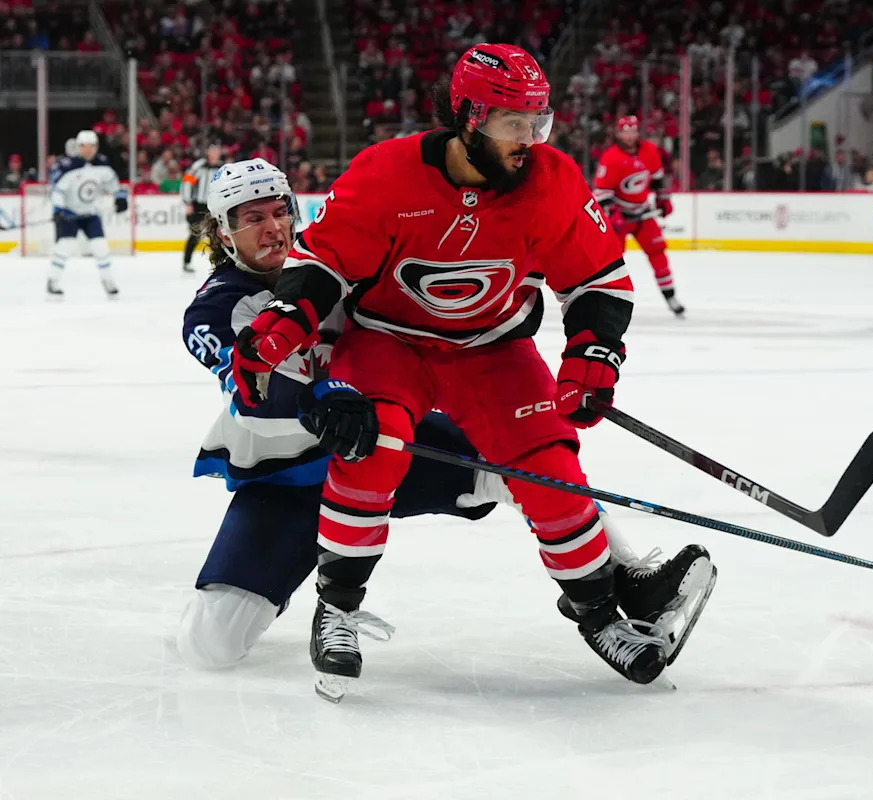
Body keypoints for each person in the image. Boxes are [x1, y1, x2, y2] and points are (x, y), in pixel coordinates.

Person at [231, 45, 716, 701]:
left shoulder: (554, 181)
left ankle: (598, 614)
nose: (530, 140)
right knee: (371, 448)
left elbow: (600, 277)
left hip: (492, 350)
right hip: (389, 343)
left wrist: (592, 355)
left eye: (537, 122)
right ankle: (338, 606)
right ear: (468, 116)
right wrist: (284, 327)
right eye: (514, 123)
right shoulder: (386, 174)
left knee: (550, 472)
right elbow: (324, 266)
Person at [593, 116, 684, 317]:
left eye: (632, 130)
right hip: (619, 219)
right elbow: (602, 192)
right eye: (625, 131)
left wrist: (663, 199)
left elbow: (658, 179)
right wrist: (614, 213)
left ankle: (670, 296)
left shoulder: (649, 151)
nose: (629, 135)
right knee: (611, 261)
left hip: (643, 214)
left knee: (658, 252)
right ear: (617, 133)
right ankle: (605, 301)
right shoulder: (611, 158)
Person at [46, 130, 128, 297]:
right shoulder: (67, 166)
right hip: (69, 214)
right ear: (78, 147)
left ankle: (108, 281)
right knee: (64, 247)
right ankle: (53, 281)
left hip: (90, 213)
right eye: (84, 146)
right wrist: (58, 209)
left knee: (101, 247)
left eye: (92, 146)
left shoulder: (103, 164)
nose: (88, 150)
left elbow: (113, 183)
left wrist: (120, 197)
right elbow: (56, 191)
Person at [181, 144, 225, 274]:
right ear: (208, 152)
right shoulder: (199, 166)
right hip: (199, 205)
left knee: (217, 235)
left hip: (215, 206)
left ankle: (218, 261)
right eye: (212, 151)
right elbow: (187, 182)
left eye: (217, 151)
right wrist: (188, 202)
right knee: (196, 234)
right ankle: (187, 261)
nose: (215, 153)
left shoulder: (222, 168)